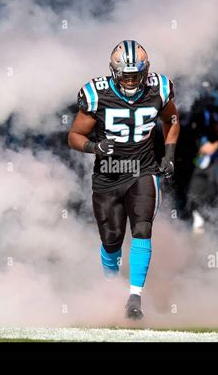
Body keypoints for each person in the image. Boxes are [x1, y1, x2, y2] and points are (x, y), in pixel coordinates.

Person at [68, 40, 179, 320]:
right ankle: (111, 289)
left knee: (142, 227)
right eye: (125, 75)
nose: (131, 81)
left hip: (143, 169)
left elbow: (172, 120)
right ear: (114, 72)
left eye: (135, 75)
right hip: (108, 174)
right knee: (112, 239)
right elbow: (73, 136)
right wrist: (94, 147)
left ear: (146, 71)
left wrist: (169, 154)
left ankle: (134, 299)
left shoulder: (159, 88)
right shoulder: (96, 93)